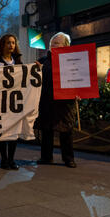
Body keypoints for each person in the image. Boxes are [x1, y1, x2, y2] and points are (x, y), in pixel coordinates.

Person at [35, 32, 77, 168]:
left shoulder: (72, 61)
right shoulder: (41, 62)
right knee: (46, 130)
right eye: (52, 43)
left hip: (65, 102)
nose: (53, 45)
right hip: (46, 101)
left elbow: (78, 78)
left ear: (66, 45)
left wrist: (80, 92)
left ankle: (68, 159)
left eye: (57, 43)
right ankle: (46, 157)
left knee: (66, 130)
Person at [0, 34, 23, 170]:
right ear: (2, 45)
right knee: (2, 131)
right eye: (8, 43)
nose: (11, 45)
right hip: (0, 103)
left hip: (14, 102)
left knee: (14, 132)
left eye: (13, 43)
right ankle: (4, 160)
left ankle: (11, 159)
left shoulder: (19, 62)